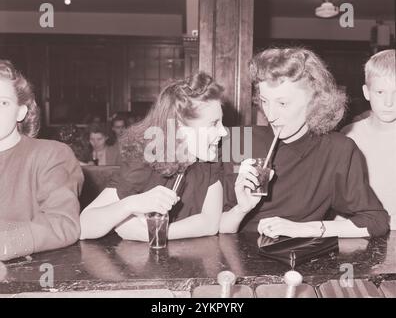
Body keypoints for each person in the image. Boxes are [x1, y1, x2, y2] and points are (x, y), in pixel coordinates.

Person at [220, 47, 390, 238]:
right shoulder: (238, 140)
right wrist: (240, 210)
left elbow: (376, 221)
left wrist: (303, 229)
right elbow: (217, 227)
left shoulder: (338, 150)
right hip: (236, 262)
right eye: (265, 101)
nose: (271, 115)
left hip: (299, 261)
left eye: (283, 103)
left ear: (315, 101)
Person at [80, 72, 227, 240]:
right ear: (179, 126)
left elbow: (210, 223)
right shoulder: (143, 161)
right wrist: (131, 204)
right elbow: (84, 226)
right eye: (214, 123)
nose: (223, 131)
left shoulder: (211, 156)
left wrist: (153, 232)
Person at [0, 60, 83, 261]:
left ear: (21, 112)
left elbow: (63, 222)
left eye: (3, 102)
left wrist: (5, 244)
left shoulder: (51, 154)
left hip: (27, 280)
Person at [342, 49, 396, 230]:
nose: (389, 102)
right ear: (366, 92)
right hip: (360, 233)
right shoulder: (348, 136)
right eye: (380, 92)